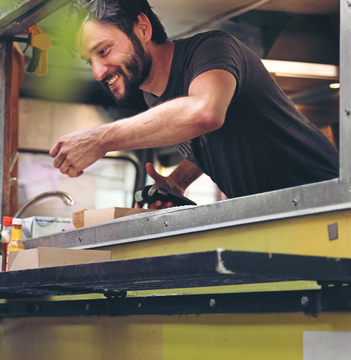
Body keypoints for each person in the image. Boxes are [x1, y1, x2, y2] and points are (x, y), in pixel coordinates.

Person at [50, 0, 339, 207]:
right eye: (90, 61)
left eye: (103, 50)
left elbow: (206, 112)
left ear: (142, 28)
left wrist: (101, 139)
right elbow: (213, 136)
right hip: (277, 211)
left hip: (329, 198)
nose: (98, 72)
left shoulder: (211, 50)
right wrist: (178, 180)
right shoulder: (153, 96)